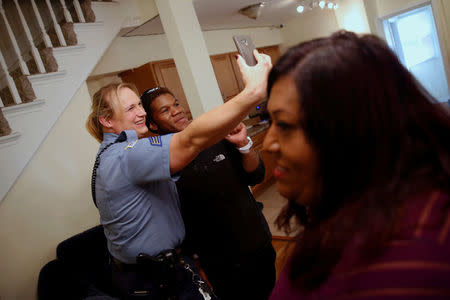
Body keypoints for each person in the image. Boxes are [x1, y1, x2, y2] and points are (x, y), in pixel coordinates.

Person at [262, 31, 450, 299]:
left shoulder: (408, 263)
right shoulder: (358, 212)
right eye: (270, 122)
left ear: (351, 130)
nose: (269, 144)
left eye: (284, 125)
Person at [85, 50, 272, 299]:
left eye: (138, 105)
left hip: (170, 268)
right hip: (156, 278)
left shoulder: (112, 153)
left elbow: (252, 173)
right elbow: (192, 140)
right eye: (130, 108)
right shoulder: (127, 154)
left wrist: (243, 145)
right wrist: (253, 92)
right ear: (107, 121)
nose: (140, 112)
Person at [140, 86, 276, 300]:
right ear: (153, 124)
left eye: (175, 104)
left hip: (257, 242)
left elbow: (256, 175)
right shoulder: (159, 162)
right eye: (165, 110)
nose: (176, 111)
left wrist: (243, 144)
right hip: (219, 260)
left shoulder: (214, 136)